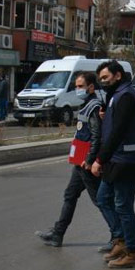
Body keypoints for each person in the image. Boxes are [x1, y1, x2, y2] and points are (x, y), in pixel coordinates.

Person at [36, 73, 113, 247]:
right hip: (80, 161)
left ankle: (117, 236)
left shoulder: (93, 106)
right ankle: (58, 234)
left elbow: (96, 136)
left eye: (80, 86)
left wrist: (90, 159)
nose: (77, 89)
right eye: (76, 86)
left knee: (100, 200)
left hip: (85, 163)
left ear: (91, 87)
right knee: (70, 195)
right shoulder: (87, 105)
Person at [92, 61, 135, 269]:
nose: (102, 82)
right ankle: (121, 240)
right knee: (103, 198)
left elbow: (118, 131)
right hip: (117, 158)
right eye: (100, 79)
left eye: (105, 78)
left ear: (118, 75)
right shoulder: (117, 94)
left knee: (123, 205)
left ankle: (133, 252)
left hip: (126, 160)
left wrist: (99, 159)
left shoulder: (126, 95)